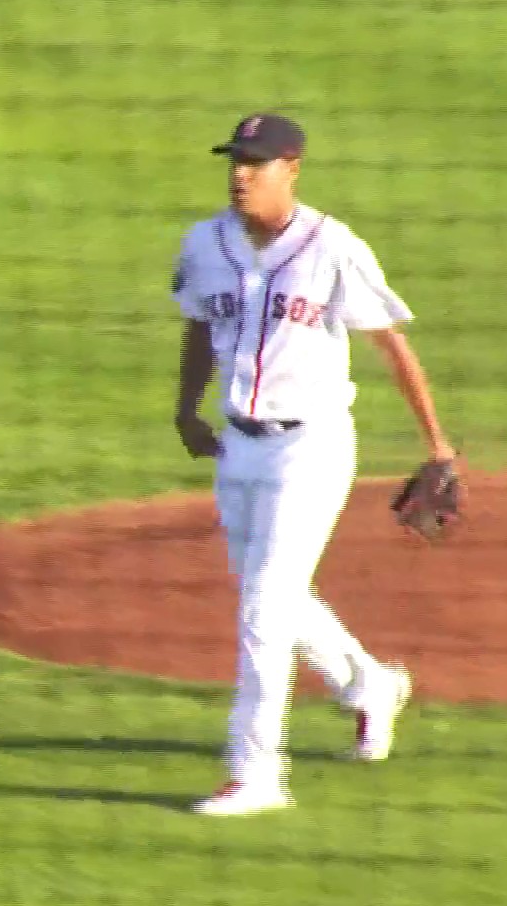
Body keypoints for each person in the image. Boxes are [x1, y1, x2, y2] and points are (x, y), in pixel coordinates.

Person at [169, 112, 459, 817]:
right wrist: (186, 409)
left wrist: (438, 446)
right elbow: (201, 326)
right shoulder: (206, 244)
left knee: (264, 611)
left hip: (312, 446)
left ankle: (256, 774)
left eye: (256, 163)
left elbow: (391, 346)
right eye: (235, 160)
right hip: (239, 445)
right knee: (270, 599)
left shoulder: (331, 247)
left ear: (291, 168)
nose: (241, 174)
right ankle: (369, 685)